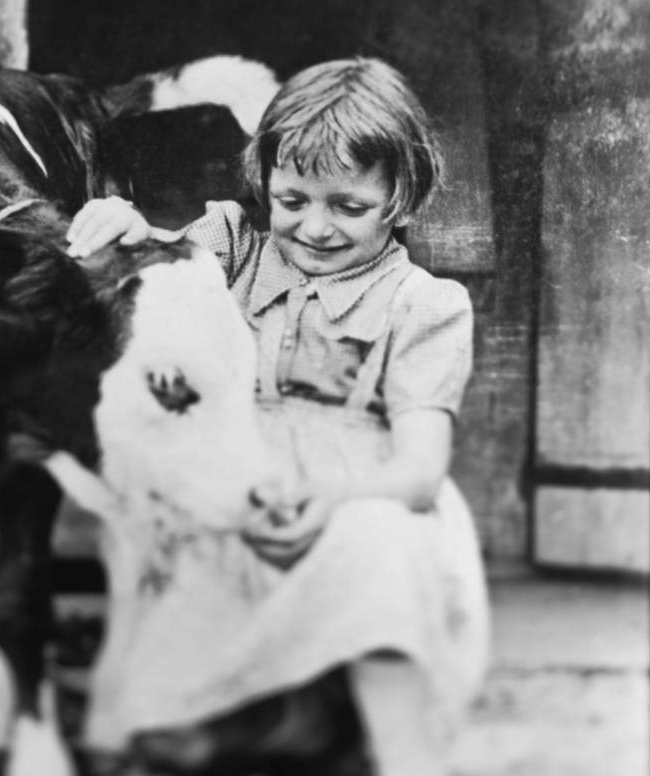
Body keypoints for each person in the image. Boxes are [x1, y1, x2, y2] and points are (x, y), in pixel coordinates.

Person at [66, 57, 489, 776]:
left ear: (401, 198)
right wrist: (127, 231)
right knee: (174, 536)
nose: (314, 228)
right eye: (292, 199)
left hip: (355, 499)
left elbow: (418, 474)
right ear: (262, 180)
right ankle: (185, 731)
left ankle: (405, 755)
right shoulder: (233, 247)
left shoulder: (424, 305)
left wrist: (330, 500)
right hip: (238, 481)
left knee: (383, 550)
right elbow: (150, 277)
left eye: (346, 206)